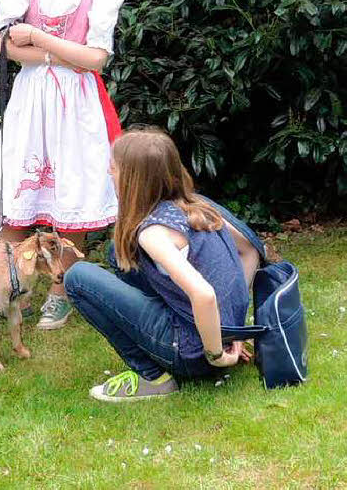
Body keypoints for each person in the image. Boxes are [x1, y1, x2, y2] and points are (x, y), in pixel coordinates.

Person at [0, 0, 128, 329]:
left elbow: (96, 58)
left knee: (72, 191)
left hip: (77, 101)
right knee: (19, 191)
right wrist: (58, 53)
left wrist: (39, 38)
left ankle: (62, 289)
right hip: (31, 96)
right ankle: (10, 285)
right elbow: (1, 44)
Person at [63, 128, 253, 401]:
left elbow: (204, 294)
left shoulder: (154, 233)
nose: (109, 174)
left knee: (78, 277)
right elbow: (249, 250)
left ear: (132, 180)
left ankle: (154, 378)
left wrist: (216, 354)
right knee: (118, 253)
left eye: (113, 168)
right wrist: (231, 327)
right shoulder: (199, 206)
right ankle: (200, 337)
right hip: (217, 334)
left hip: (192, 352)